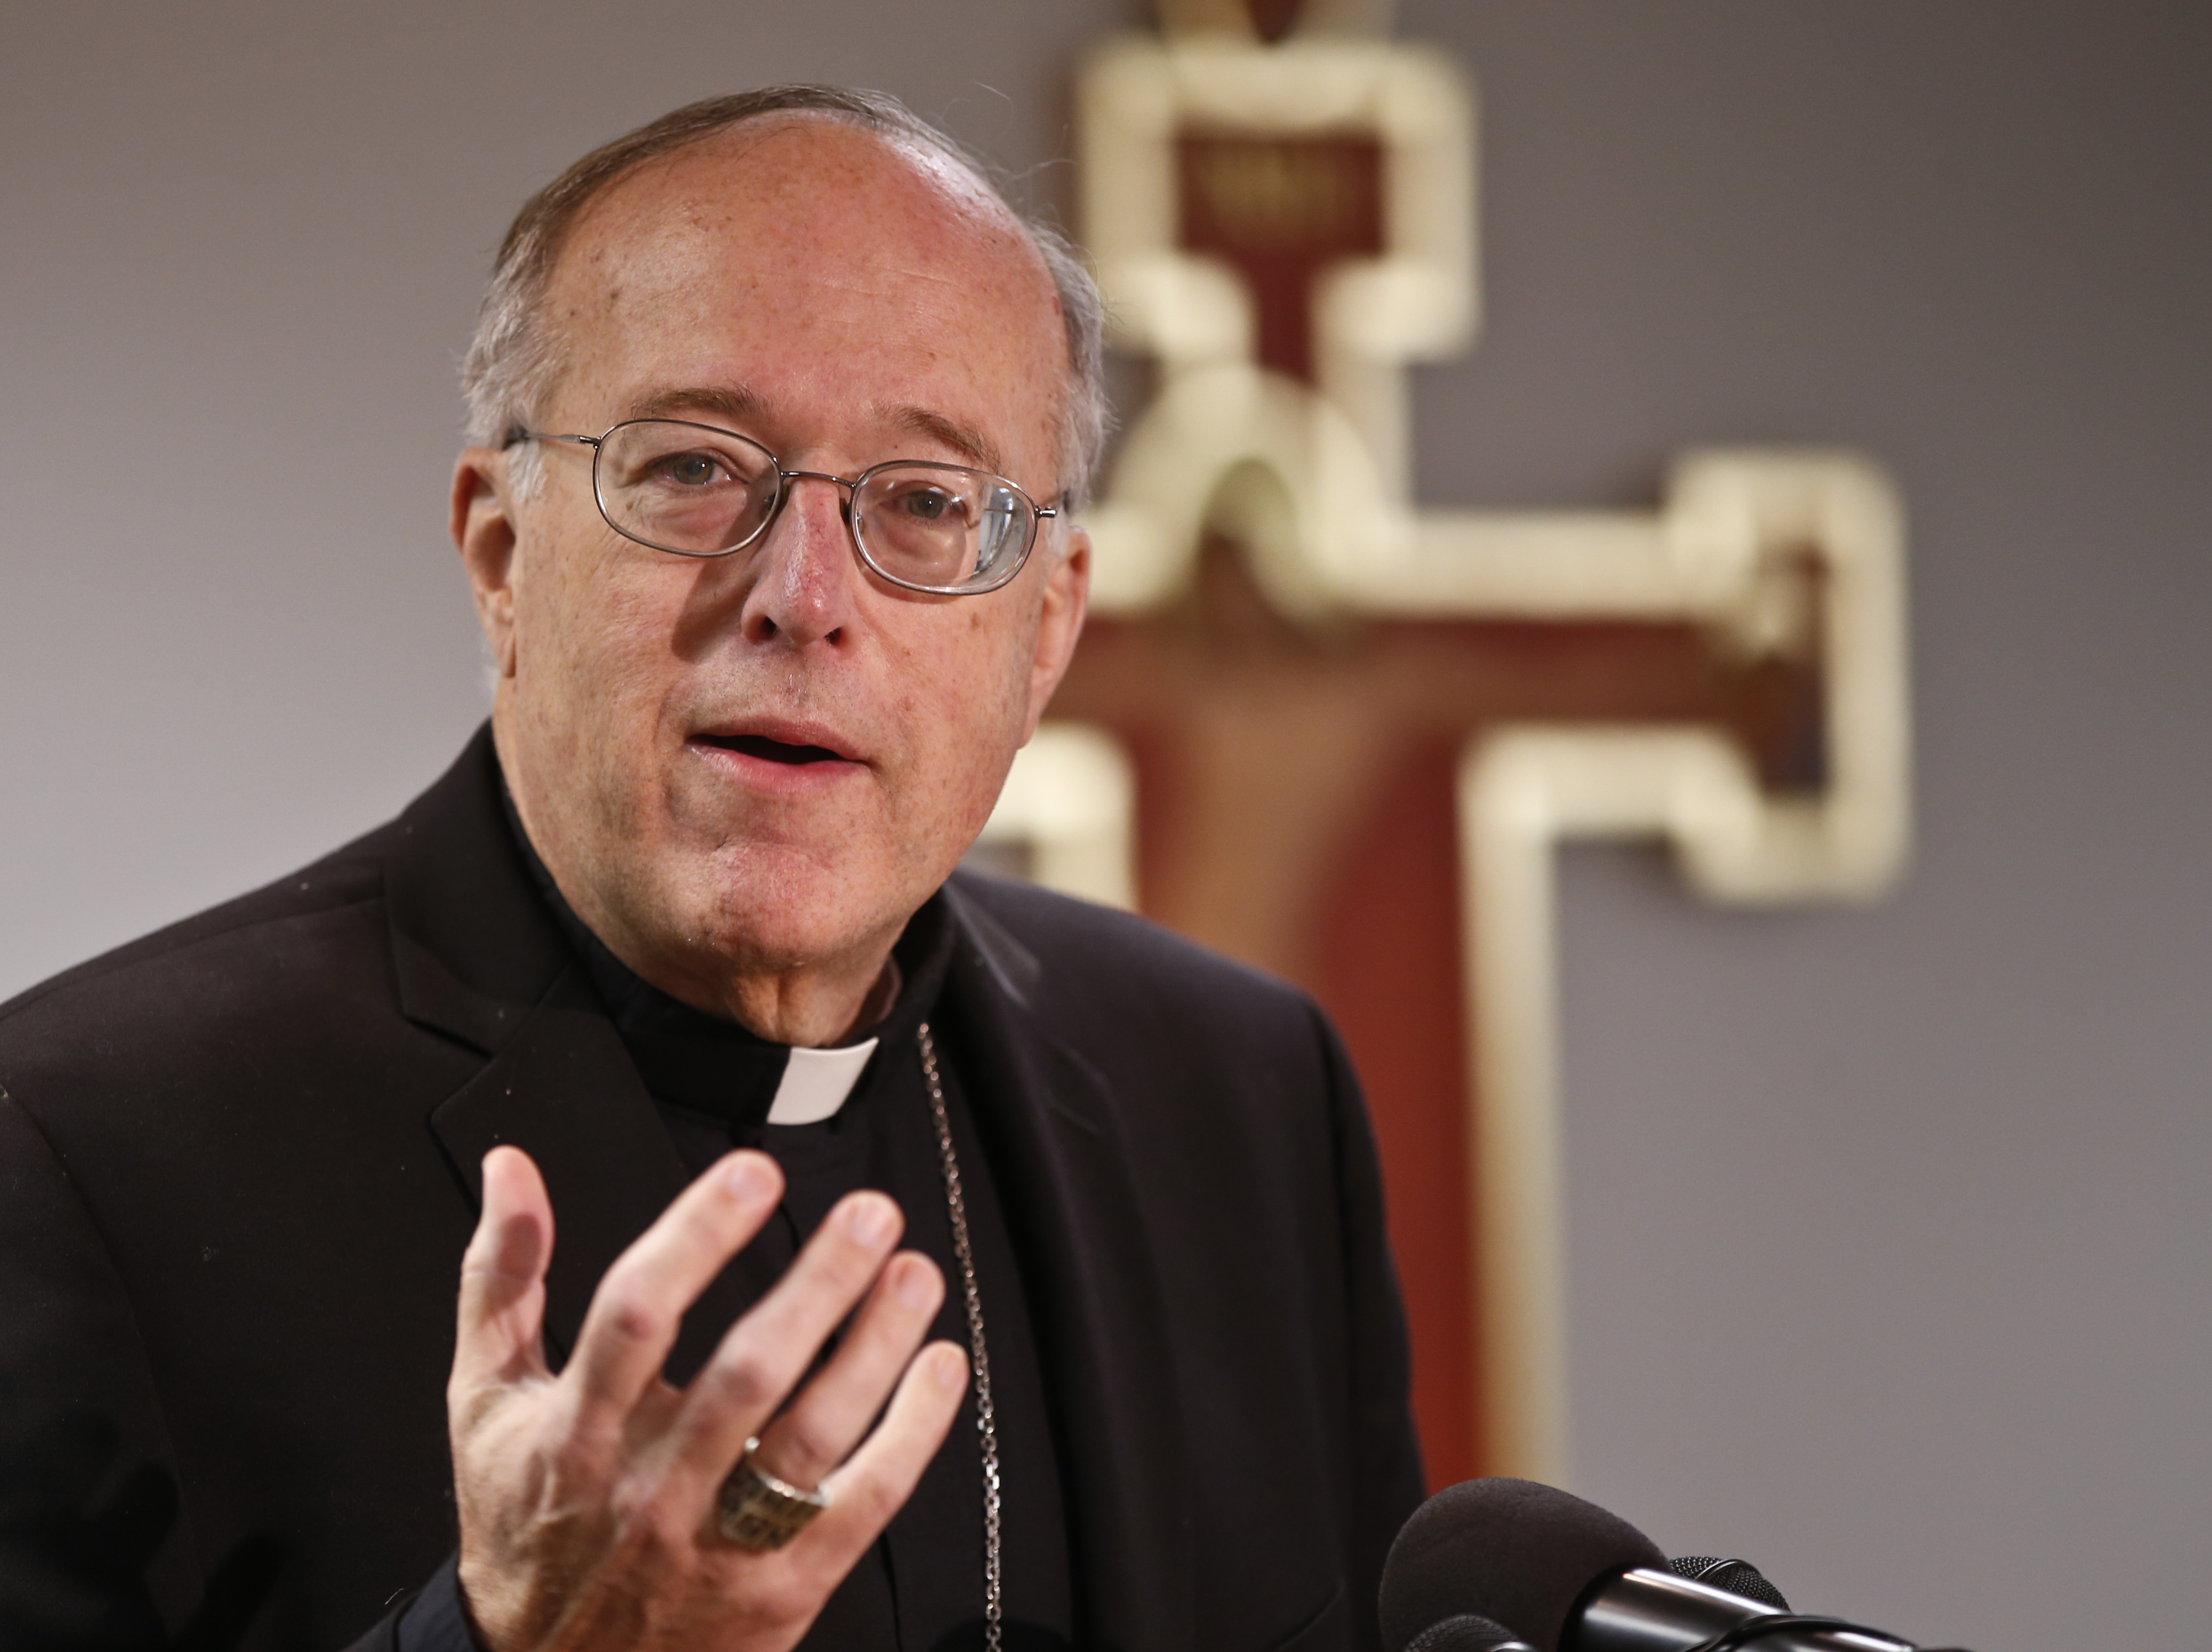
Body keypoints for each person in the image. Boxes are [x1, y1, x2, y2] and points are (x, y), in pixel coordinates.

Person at [0, 87, 1423, 1652]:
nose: (803, 597)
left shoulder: (1236, 1093)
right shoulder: (75, 1154)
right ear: (501, 558)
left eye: (929, 502)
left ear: (1048, 630)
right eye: (694, 469)